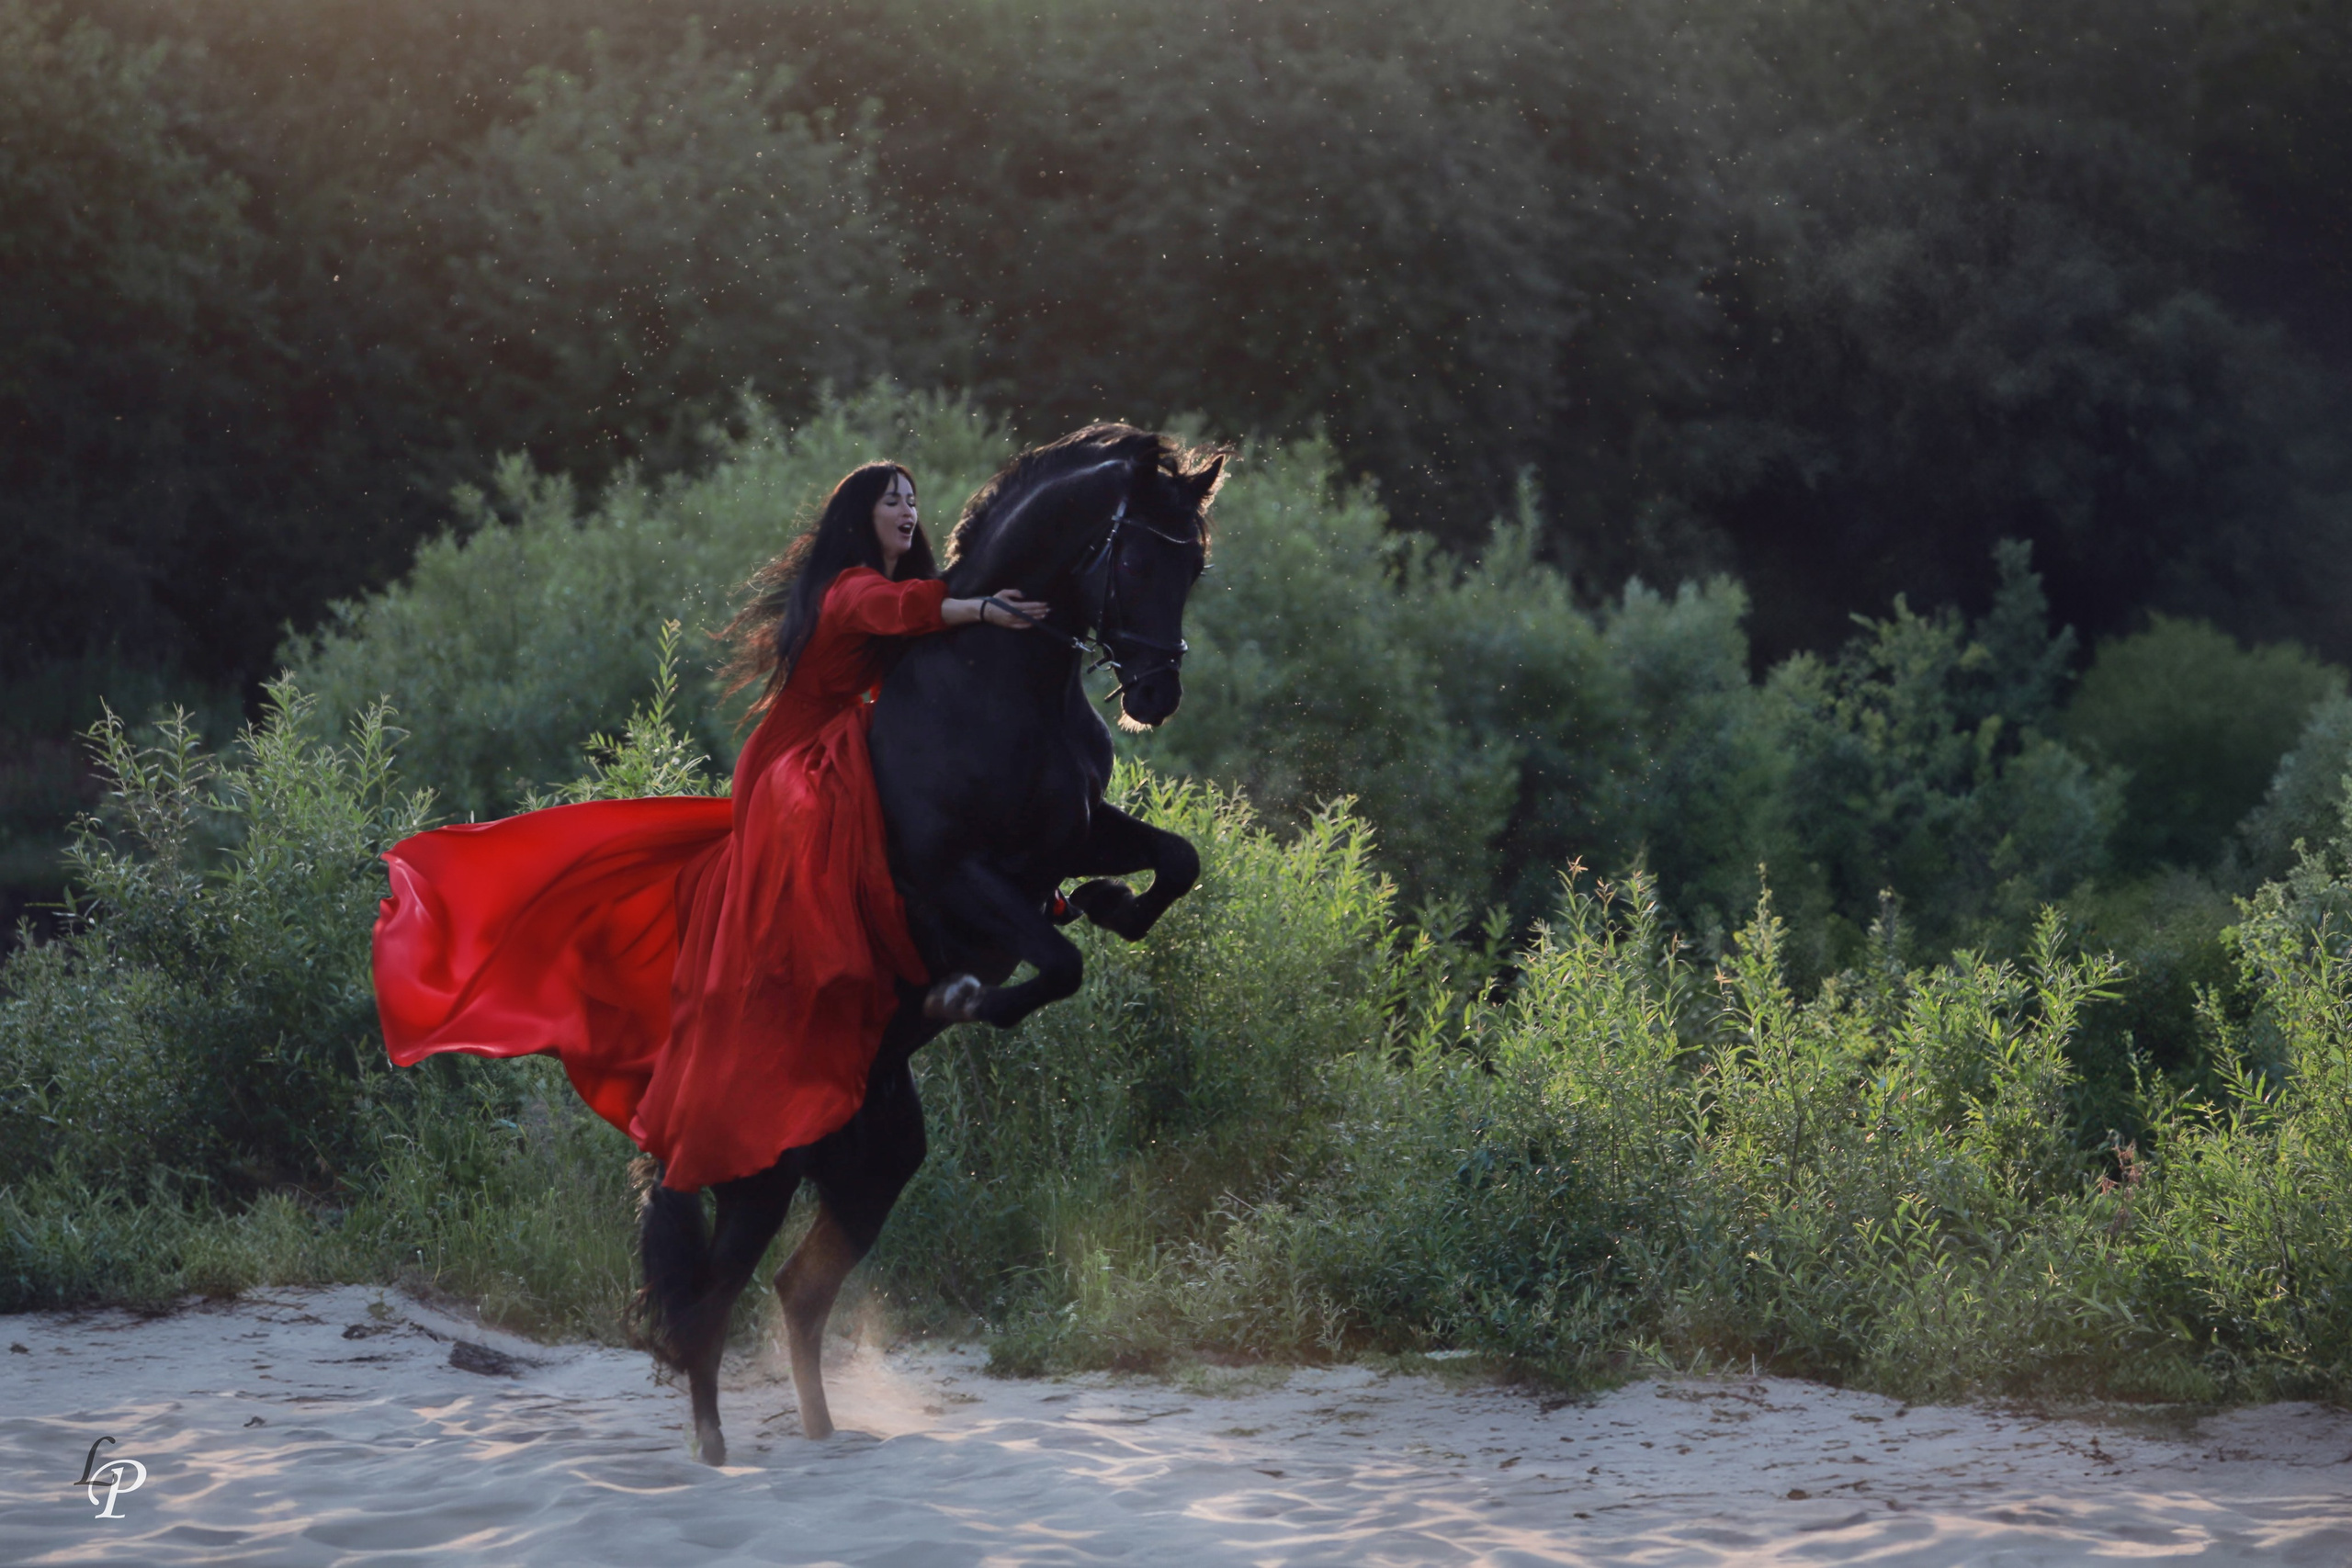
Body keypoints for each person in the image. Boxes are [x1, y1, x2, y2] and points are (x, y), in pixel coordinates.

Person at [371, 463, 1046, 1190]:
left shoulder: (892, 583)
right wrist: (977, 608)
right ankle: (814, 964)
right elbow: (896, 608)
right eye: (892, 500)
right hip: (795, 756)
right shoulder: (849, 584)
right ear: (861, 515)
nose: (908, 510)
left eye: (914, 499)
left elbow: (916, 621)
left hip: (840, 741)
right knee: (831, 826)